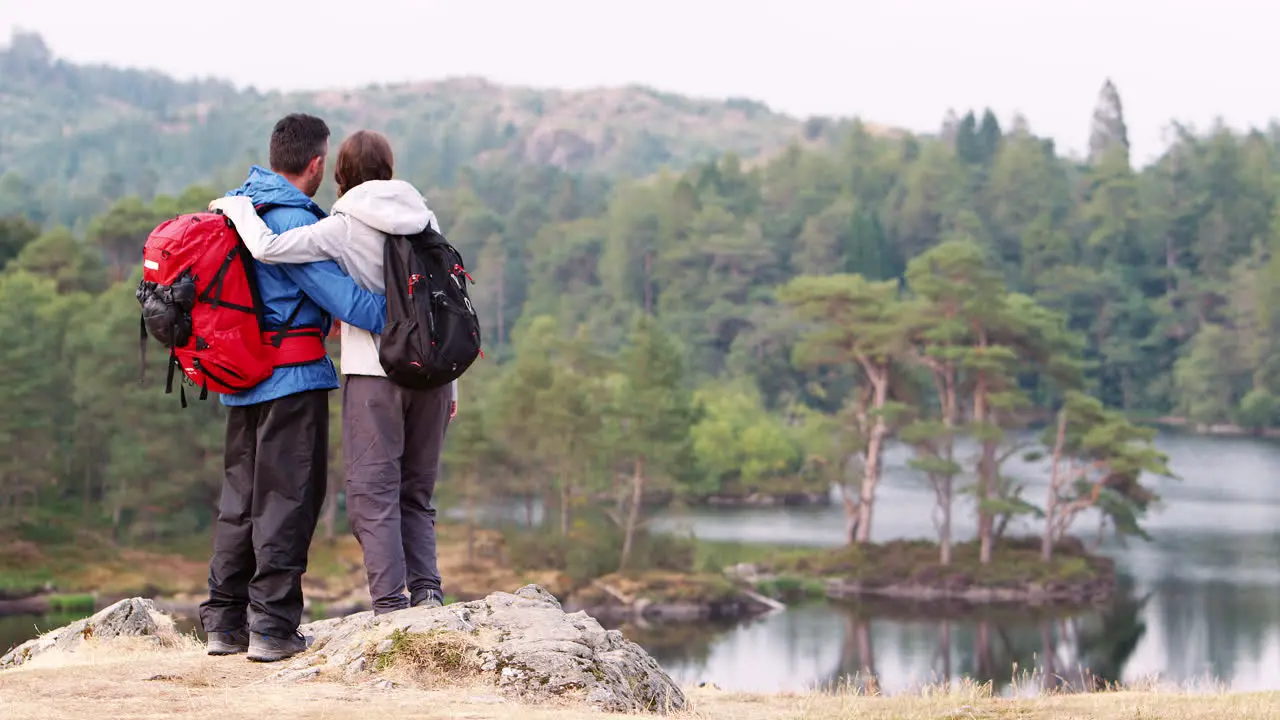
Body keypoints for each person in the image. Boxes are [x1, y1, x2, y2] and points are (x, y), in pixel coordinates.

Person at [211, 129, 456, 616]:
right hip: (434, 373)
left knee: (372, 491)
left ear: (336, 172)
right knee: (417, 490)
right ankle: (427, 592)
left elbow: (269, 248)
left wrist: (237, 207)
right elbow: (442, 303)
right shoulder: (425, 217)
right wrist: (453, 383)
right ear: (389, 167)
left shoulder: (344, 224)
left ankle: (391, 607)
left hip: (374, 374)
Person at [199, 114, 388, 662]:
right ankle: (274, 630)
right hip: (293, 380)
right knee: (288, 501)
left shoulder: (239, 207)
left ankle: (223, 623)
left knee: (240, 502)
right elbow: (350, 303)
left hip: (240, 379)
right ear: (316, 164)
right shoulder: (289, 220)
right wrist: (412, 317)